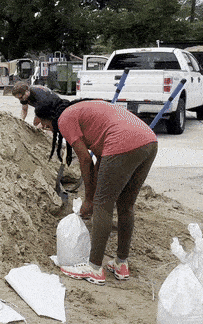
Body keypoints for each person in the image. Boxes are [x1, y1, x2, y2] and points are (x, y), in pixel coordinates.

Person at [35, 99, 157, 285]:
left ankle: (94, 268)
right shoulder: (83, 110)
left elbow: (85, 159)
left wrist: (89, 199)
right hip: (148, 140)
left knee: (102, 204)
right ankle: (121, 263)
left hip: (121, 142)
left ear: (51, 118)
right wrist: (95, 188)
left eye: (45, 125)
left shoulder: (65, 119)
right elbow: (101, 158)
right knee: (126, 204)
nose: (46, 129)